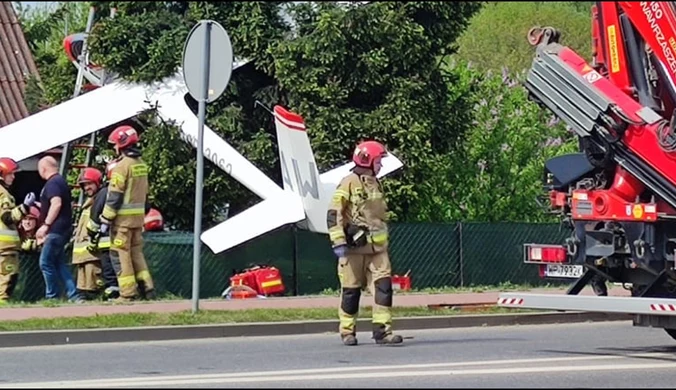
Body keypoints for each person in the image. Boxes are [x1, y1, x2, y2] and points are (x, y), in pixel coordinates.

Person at [326, 140, 403, 346]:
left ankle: (382, 331)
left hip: (378, 249)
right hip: (354, 249)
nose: (380, 166)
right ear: (367, 160)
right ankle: (347, 331)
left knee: (383, 288)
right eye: (378, 161)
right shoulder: (349, 182)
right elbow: (334, 213)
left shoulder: (376, 182)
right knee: (351, 290)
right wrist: (339, 241)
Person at [100, 125, 155, 301]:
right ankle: (147, 289)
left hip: (122, 223)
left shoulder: (122, 167)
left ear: (121, 144)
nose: (114, 148)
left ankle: (127, 294)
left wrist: (106, 219)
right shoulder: (141, 165)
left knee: (119, 254)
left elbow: (114, 196)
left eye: (115, 144)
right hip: (138, 221)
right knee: (136, 253)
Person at [35, 156, 81, 302]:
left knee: (45, 262)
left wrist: (46, 225)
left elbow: (56, 203)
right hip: (63, 229)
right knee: (58, 263)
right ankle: (73, 295)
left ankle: (52, 296)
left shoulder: (52, 183)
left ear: (43, 169)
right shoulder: (61, 181)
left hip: (55, 230)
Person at [71, 167, 114, 300]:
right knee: (83, 289)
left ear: (98, 182)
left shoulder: (100, 200)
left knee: (94, 289)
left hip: (94, 255)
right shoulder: (87, 203)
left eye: (89, 184)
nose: (86, 188)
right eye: (84, 185)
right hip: (83, 256)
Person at [0, 158, 36, 303]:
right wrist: (25, 207)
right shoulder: (3, 194)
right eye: (11, 174)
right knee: (8, 276)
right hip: (5, 246)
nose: (13, 177)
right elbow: (7, 217)